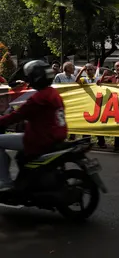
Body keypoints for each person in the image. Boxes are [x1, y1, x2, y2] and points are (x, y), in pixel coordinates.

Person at [0, 60, 68, 191]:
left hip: (39, 138)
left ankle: (5, 181)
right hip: (56, 135)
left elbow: (17, 115)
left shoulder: (38, 98)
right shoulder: (52, 93)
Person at [76, 63, 106, 148]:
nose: (88, 71)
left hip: (97, 104)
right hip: (87, 104)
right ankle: (86, 141)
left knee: (98, 124)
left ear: (93, 70)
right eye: (87, 70)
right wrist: (81, 70)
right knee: (86, 123)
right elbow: (76, 81)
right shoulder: (84, 79)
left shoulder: (97, 79)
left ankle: (101, 142)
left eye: (90, 69)